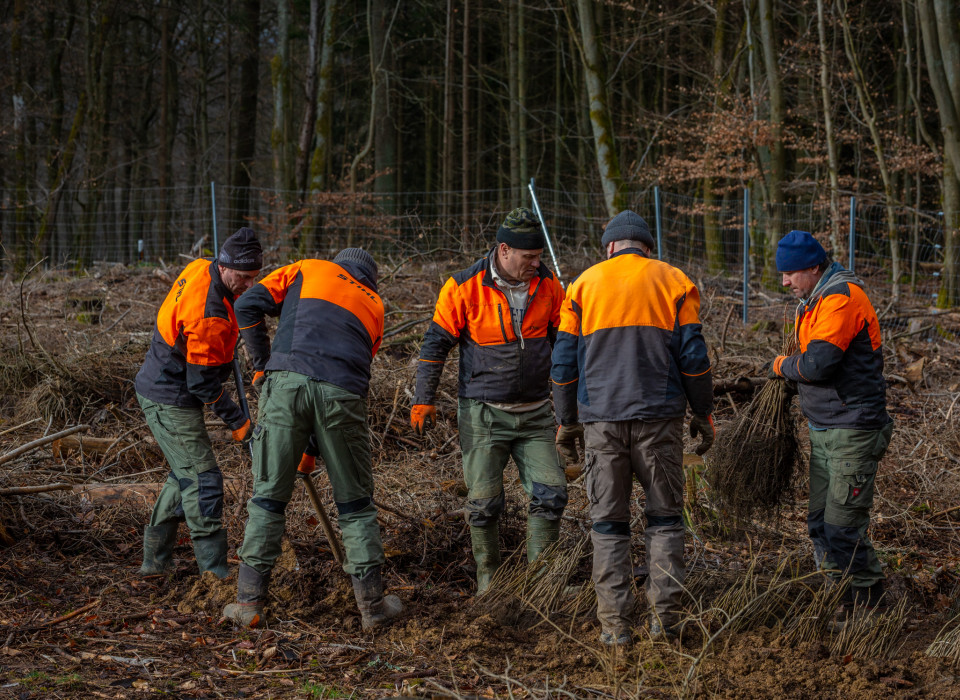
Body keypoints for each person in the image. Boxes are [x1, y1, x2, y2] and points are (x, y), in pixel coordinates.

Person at [550, 210, 714, 646]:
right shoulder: (674, 282)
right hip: (659, 420)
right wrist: (703, 411)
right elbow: (694, 359)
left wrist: (567, 421)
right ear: (647, 247)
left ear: (609, 248)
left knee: (607, 523)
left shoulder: (582, 286)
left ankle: (615, 628)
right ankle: (664, 621)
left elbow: (563, 364)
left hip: (600, 421)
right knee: (664, 518)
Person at [222, 248, 403, 631]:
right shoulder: (374, 305)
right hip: (343, 395)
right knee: (355, 504)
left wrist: (262, 365)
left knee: (268, 498)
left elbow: (248, 306)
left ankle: (249, 603)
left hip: (286, 386)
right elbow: (344, 376)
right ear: (369, 279)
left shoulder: (308, 268)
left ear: (339, 264)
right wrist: (314, 447)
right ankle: (372, 607)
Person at [410, 208, 567, 594]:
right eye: (529, 257)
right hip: (482, 413)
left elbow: (567, 347)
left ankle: (543, 584)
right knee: (484, 504)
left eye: (539, 256)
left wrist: (570, 409)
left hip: (536, 413)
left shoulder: (549, 286)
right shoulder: (463, 286)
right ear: (504, 250)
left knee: (552, 494)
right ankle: (489, 582)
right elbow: (435, 344)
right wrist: (423, 398)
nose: (536, 263)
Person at [766, 230, 893, 612]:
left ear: (812, 267)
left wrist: (779, 367)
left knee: (842, 526)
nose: (784, 281)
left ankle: (871, 604)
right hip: (825, 428)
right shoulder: (813, 299)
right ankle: (841, 596)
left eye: (789, 274)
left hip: (853, 428)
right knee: (820, 524)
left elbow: (817, 365)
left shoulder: (841, 299)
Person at [134, 227, 262, 578]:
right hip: (168, 395)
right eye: (244, 277)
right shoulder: (209, 316)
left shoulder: (201, 267)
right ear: (224, 266)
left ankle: (154, 563)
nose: (249, 285)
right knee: (204, 480)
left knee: (184, 476)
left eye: (255, 277)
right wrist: (237, 421)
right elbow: (203, 384)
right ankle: (215, 574)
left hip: (167, 381)